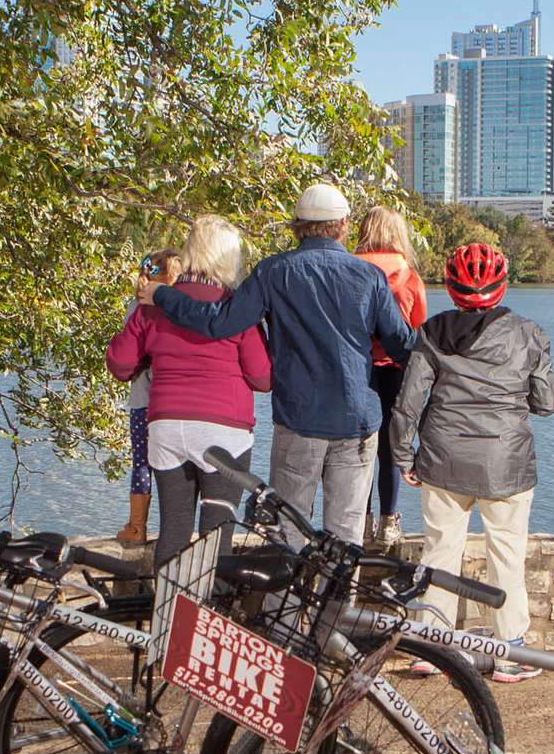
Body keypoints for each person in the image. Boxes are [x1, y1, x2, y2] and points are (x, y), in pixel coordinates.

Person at [139, 183, 416, 546]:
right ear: (344, 224)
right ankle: (338, 605)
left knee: (290, 531)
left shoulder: (273, 272)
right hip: (356, 422)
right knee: (346, 539)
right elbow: (402, 346)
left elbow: (218, 321)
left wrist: (163, 295)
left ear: (297, 226)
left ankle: (287, 603)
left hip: (298, 420)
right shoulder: (369, 278)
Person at [387, 243, 554, 682]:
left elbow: (408, 404)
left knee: (441, 551)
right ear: (501, 286)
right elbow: (547, 403)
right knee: (507, 554)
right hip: (507, 462)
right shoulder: (528, 333)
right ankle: (510, 652)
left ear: (451, 287)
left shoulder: (431, 332)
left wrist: (405, 454)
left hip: (443, 459)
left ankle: (431, 647)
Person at [107, 219, 272, 564]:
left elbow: (120, 365)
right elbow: (262, 378)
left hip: (167, 429)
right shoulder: (234, 309)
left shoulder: (154, 304)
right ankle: (207, 615)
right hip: (225, 434)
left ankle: (165, 614)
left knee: (174, 531)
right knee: (217, 540)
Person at [353, 206, 428, 551]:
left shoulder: (350, 271)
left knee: (359, 447)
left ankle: (361, 521)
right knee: (389, 447)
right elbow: (418, 328)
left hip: (358, 369)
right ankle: (389, 521)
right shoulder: (408, 275)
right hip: (396, 371)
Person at [115, 249, 183, 545]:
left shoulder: (136, 307)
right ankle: (175, 529)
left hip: (142, 400)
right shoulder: (178, 308)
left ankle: (136, 526)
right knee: (177, 467)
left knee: (141, 463)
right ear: (172, 278)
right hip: (171, 401)